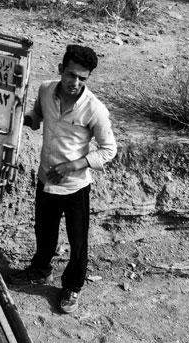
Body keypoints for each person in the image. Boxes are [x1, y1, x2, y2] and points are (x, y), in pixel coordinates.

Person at [12, 44, 117, 314]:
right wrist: (16, 118)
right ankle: (39, 270)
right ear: (61, 70)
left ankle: (72, 286)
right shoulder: (46, 90)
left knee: (77, 240)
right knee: (44, 230)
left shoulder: (95, 109)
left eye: (83, 78)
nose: (75, 83)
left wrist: (73, 166)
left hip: (75, 186)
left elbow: (109, 150)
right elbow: (37, 117)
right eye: (71, 75)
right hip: (46, 178)